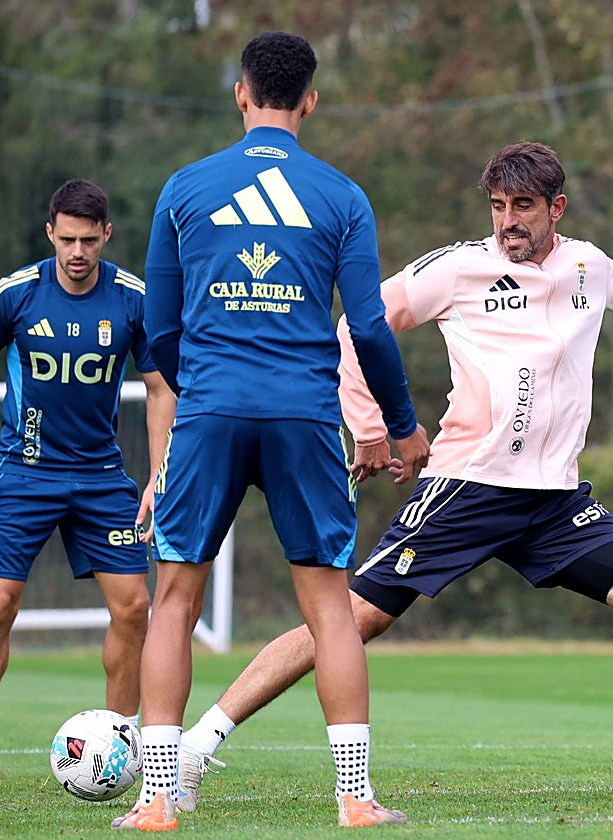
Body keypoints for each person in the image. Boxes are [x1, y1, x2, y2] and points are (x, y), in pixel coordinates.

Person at [175, 141, 613, 813]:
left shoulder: (589, 266)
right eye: (498, 207)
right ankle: (196, 747)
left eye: (522, 207)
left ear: (557, 208)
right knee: (351, 620)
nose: (507, 222)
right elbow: (354, 329)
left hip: (552, 502)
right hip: (467, 487)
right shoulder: (459, 269)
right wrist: (369, 427)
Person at [112, 31, 429, 832]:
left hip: (212, 413)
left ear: (241, 93)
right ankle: (354, 799)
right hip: (305, 416)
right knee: (330, 607)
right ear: (311, 100)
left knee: (175, 601)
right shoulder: (341, 196)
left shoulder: (186, 187)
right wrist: (403, 425)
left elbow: (156, 326)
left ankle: (155, 802)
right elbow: (370, 328)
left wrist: (207, 390)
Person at [0, 179, 175, 785]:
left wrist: (159, 474)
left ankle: (120, 745)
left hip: (100, 476)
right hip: (23, 471)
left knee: (136, 607)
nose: (78, 252)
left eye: (89, 240)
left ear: (106, 235)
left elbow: (160, 387)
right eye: (67, 239)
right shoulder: (15, 294)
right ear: (50, 234)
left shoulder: (133, 300)